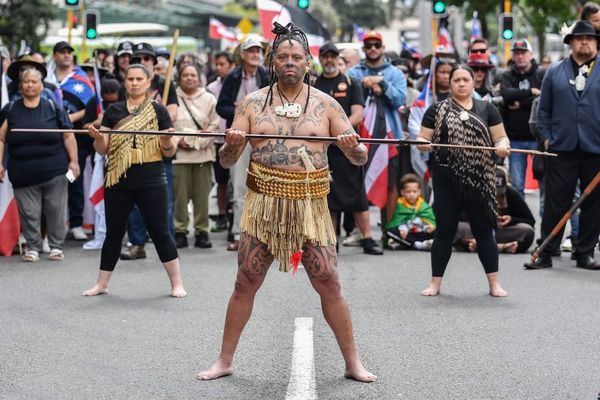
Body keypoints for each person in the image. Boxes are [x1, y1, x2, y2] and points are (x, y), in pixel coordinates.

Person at [198, 23, 376, 383]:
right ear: (272, 61)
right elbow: (227, 161)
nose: (290, 62)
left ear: (308, 63)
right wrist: (232, 143)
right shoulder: (251, 103)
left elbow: (359, 158)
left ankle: (353, 362)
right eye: (283, 57)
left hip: (311, 206)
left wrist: (352, 146)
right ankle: (224, 360)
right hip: (263, 204)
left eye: (296, 57)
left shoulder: (327, 105)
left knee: (329, 281)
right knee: (245, 281)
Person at [82, 64, 186, 297]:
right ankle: (102, 283)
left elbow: (168, 152)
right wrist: (98, 138)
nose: (135, 82)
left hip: (151, 179)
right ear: (124, 82)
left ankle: (177, 283)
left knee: (160, 231)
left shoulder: (159, 111)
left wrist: (168, 141)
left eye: (140, 78)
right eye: (130, 79)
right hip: (118, 179)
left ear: (149, 82)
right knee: (114, 233)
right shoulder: (113, 111)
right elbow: (103, 149)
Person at [416, 64, 511, 297]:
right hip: (446, 178)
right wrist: (422, 144)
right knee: (444, 231)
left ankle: (494, 284)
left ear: (473, 83)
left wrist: (501, 146)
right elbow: (422, 137)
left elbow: (500, 137)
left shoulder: (488, 109)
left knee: (483, 230)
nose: (461, 83)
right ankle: (435, 283)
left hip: (480, 179)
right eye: (456, 79)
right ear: (449, 84)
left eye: (465, 79)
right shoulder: (436, 110)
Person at [524, 21, 600, 270]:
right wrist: (546, 138)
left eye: (589, 38)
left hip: (595, 148)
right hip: (561, 147)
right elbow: (543, 110)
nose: (584, 42)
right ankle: (547, 250)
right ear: (571, 43)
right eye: (579, 39)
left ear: (596, 42)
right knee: (556, 202)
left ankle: (584, 253)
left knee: (593, 205)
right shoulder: (554, 72)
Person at [0, 68, 79, 262]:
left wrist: (74, 161)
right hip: (22, 173)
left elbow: (68, 135)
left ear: (41, 85)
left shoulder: (53, 107)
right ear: (20, 86)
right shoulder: (10, 109)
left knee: (55, 210)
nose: (30, 85)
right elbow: (1, 139)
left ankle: (55, 246)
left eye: (34, 81)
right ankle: (33, 247)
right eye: (26, 81)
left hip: (55, 171)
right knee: (29, 213)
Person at [314, 42, 382, 255]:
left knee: (358, 197)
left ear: (338, 59)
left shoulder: (351, 82)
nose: (329, 60)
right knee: (330, 198)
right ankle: (332, 242)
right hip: (326, 148)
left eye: (333, 56)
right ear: (321, 59)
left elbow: (358, 113)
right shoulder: (313, 85)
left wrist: (341, 131)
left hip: (348, 146)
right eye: (325, 56)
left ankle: (368, 239)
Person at [120, 42, 179, 260]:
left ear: (153, 63)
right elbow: (120, 116)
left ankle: (168, 244)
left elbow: (172, 113)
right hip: (133, 152)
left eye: (146, 59)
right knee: (134, 203)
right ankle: (137, 244)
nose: (142, 62)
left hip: (159, 151)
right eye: (138, 59)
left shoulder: (165, 84)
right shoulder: (126, 87)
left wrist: (156, 113)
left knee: (164, 202)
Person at [348, 31, 407, 229]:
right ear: (364, 49)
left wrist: (382, 83)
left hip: (389, 138)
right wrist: (366, 86)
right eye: (368, 45)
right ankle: (360, 231)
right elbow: (348, 100)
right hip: (359, 137)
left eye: (376, 45)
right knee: (356, 185)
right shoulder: (354, 72)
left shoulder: (395, 74)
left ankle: (388, 231)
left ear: (382, 48)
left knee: (389, 184)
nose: (373, 48)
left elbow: (400, 100)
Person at [216, 38, 269, 251]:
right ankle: (239, 232)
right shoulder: (233, 76)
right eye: (251, 50)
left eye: (259, 50)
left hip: (264, 137)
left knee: (266, 185)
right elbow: (222, 108)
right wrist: (240, 111)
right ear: (243, 54)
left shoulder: (268, 75)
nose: (256, 54)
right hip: (239, 137)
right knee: (239, 186)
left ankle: (264, 232)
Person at [47, 41, 96, 241]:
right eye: (62, 52)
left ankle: (76, 223)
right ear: (55, 55)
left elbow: (92, 106)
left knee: (73, 178)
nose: (66, 55)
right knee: (52, 183)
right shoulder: (46, 77)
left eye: (69, 52)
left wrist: (70, 119)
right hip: (51, 140)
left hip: (76, 139)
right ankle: (54, 226)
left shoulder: (81, 78)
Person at [173, 63, 219, 248]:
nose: (189, 78)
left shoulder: (209, 98)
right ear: (180, 77)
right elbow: (166, 122)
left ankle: (202, 231)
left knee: (202, 197)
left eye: (193, 75)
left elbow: (215, 125)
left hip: (203, 155)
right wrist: (179, 141)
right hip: (179, 155)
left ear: (199, 78)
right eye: (185, 75)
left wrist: (199, 143)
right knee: (180, 197)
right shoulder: (172, 97)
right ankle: (180, 230)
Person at [498, 39, 544, 198]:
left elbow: (545, 99)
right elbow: (506, 94)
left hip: (537, 138)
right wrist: (531, 92)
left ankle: (544, 222)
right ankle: (523, 221)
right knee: (517, 185)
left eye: (523, 53)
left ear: (531, 55)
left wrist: (520, 103)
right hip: (515, 137)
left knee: (544, 184)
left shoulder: (542, 74)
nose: (519, 56)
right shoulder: (507, 75)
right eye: (516, 53)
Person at [455, 167, 535, 254]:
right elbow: (458, 216)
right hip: (478, 229)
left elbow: (530, 220)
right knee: (455, 228)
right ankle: (503, 247)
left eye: (499, 193)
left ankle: (477, 244)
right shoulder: (474, 192)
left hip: (501, 230)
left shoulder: (511, 194)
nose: (496, 196)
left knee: (528, 231)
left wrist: (512, 220)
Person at [207, 51, 235, 233]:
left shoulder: (237, 82)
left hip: (237, 138)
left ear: (231, 65)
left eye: (222, 64)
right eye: (217, 64)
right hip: (218, 138)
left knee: (238, 181)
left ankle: (235, 215)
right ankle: (222, 215)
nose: (219, 67)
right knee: (221, 181)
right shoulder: (211, 87)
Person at [386, 173, 436, 250]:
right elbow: (398, 222)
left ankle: (408, 244)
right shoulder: (400, 205)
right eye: (408, 192)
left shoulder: (423, 206)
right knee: (391, 231)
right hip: (407, 234)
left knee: (438, 230)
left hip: (422, 233)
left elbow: (429, 220)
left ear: (419, 192)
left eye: (414, 191)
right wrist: (403, 230)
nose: (411, 194)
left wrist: (429, 227)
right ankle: (420, 245)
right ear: (403, 192)